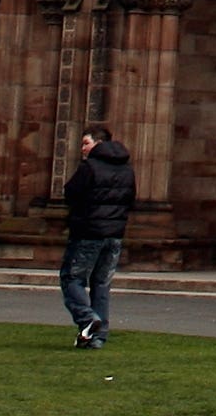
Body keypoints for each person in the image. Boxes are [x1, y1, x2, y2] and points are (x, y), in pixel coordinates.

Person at [58, 121, 134, 349]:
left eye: (86, 143)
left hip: (89, 232)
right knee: (101, 283)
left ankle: (89, 319)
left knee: (72, 278)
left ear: (98, 144)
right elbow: (130, 200)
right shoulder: (126, 169)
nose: (82, 148)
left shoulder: (90, 168)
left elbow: (71, 193)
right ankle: (97, 337)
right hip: (114, 234)